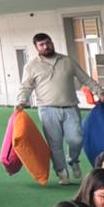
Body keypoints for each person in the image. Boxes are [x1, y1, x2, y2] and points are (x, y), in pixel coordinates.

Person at [14, 32, 87, 184]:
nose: (46, 46)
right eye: (42, 44)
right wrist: (21, 102)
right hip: (47, 110)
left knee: (76, 139)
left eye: (48, 43)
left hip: (71, 107)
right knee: (55, 144)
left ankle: (73, 160)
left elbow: (84, 78)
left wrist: (99, 92)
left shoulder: (67, 61)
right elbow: (26, 86)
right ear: (36, 47)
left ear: (52, 43)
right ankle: (61, 173)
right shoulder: (31, 66)